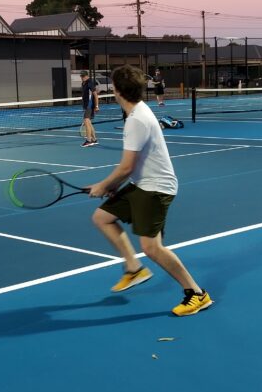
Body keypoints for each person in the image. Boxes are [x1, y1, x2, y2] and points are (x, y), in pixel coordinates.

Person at [88, 65, 212, 317]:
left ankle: (196, 294)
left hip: (156, 188)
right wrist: (114, 187)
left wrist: (104, 185)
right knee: (102, 217)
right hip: (143, 183)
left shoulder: (136, 121)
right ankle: (134, 269)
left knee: (152, 247)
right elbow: (132, 168)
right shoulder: (139, 112)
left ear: (118, 90)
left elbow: (126, 167)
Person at [79, 70, 100, 147]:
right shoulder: (83, 83)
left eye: (83, 76)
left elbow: (95, 95)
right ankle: (94, 139)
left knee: (86, 121)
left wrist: (97, 106)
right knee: (89, 123)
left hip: (89, 106)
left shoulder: (89, 82)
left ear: (87, 76)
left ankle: (88, 140)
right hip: (86, 106)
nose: (82, 77)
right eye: (81, 76)